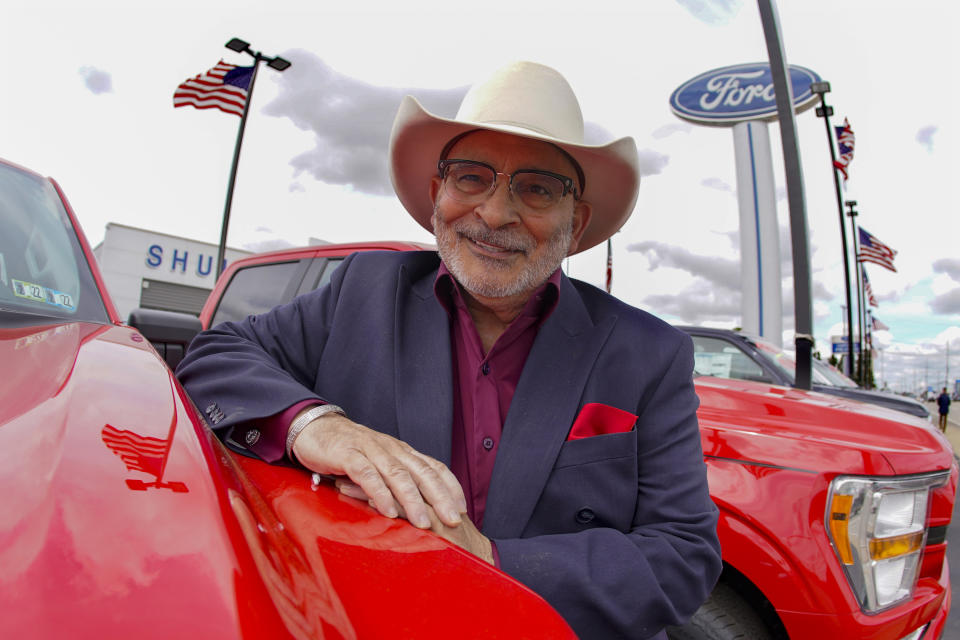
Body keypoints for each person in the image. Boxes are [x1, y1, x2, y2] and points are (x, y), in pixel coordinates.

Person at [176, 61, 721, 639]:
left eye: (537, 188)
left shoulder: (649, 353)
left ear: (577, 222)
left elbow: (682, 556)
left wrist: (487, 558)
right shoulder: (363, 291)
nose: (494, 213)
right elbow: (214, 357)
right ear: (438, 193)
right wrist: (318, 428)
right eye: (471, 177)